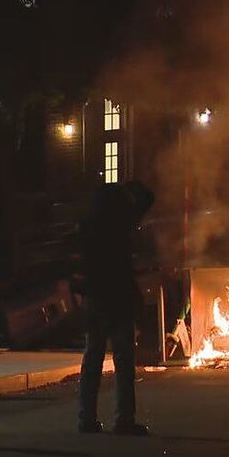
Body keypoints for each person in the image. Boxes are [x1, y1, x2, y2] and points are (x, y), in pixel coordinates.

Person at [77, 180, 154, 435]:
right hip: (119, 299)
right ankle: (124, 419)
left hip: (96, 299)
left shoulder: (87, 227)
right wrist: (130, 184)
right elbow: (147, 197)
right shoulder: (121, 225)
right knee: (123, 362)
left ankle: (86, 419)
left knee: (92, 361)